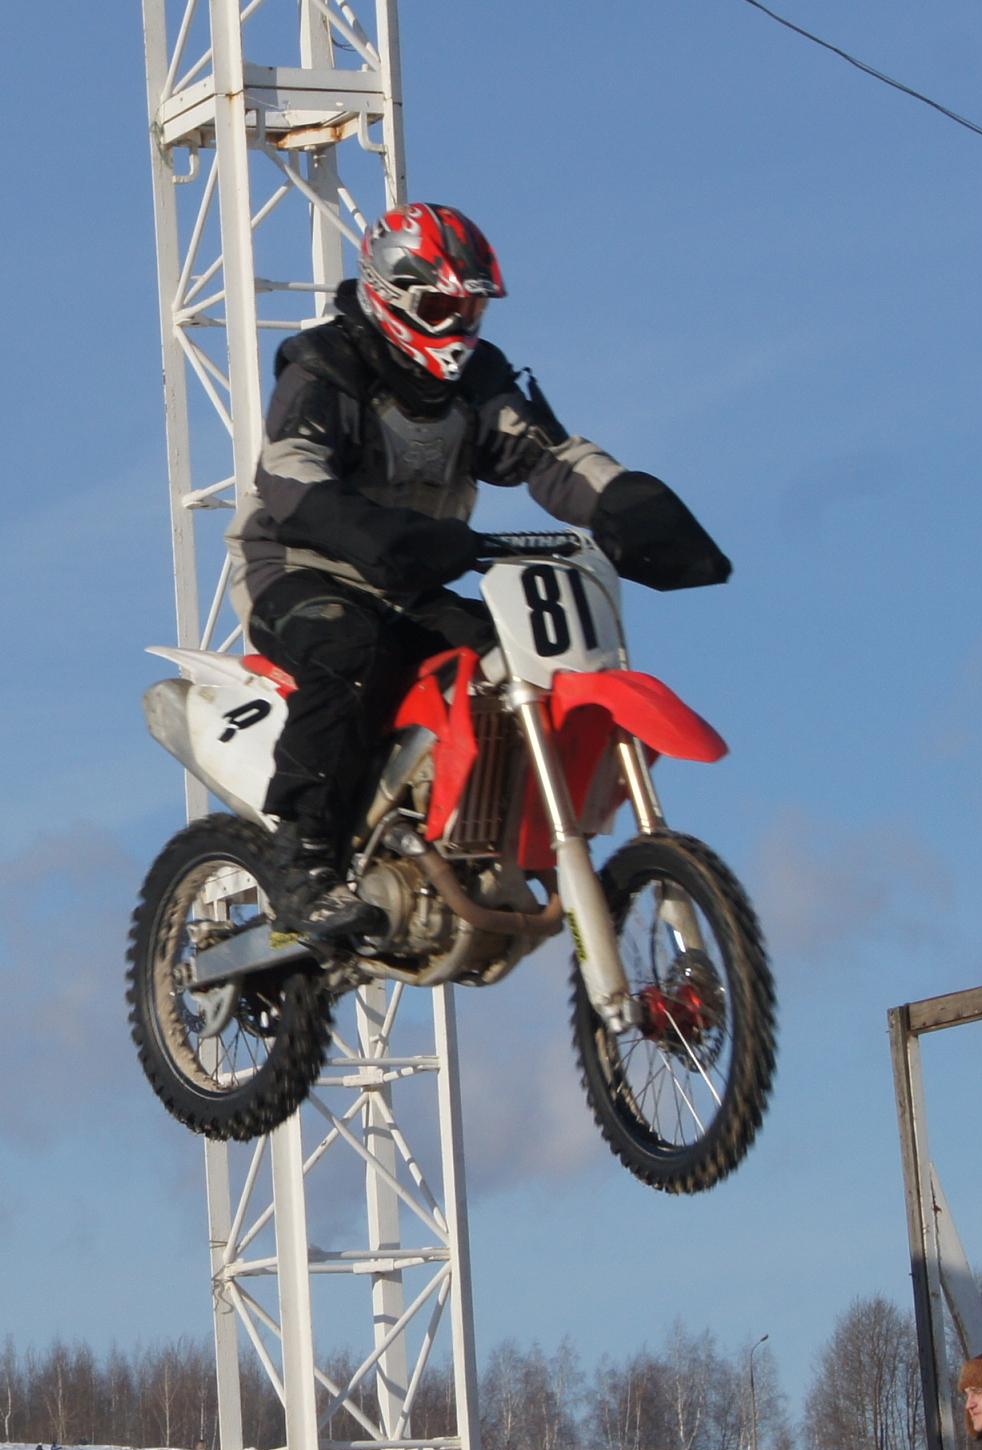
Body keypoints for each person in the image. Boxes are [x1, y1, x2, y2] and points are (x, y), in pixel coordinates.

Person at [234, 205, 732, 942]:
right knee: (350, 651)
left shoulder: (479, 381)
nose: (458, 324)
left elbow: (548, 456)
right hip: (297, 567)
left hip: (409, 576)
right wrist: (380, 533)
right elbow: (289, 473)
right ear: (391, 296)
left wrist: (626, 502)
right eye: (442, 308)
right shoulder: (325, 364)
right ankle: (303, 860)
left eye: (470, 309)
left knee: (504, 663)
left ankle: (467, 834)